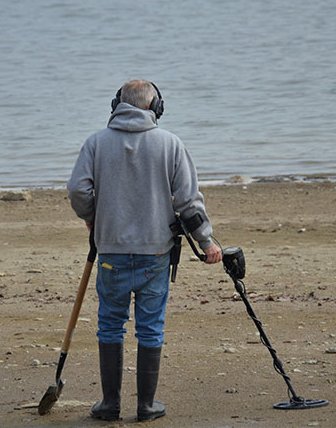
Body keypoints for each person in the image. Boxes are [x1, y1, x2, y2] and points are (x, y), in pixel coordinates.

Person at [67, 79, 222, 421]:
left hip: (111, 253)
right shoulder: (171, 143)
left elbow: (78, 190)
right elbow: (189, 203)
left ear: (116, 105)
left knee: (110, 325)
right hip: (155, 255)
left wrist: (93, 218)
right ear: (156, 108)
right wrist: (208, 243)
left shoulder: (96, 143)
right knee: (150, 328)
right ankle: (146, 406)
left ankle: (110, 405)